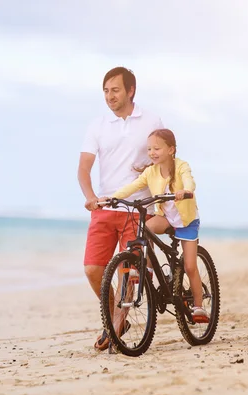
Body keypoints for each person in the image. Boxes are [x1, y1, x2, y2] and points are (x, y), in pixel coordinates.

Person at [77, 66, 165, 351]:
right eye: (105, 91)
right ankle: (119, 318)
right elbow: (84, 168)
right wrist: (90, 196)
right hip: (105, 206)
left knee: (127, 270)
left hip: (137, 207)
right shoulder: (97, 125)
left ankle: (114, 325)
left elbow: (164, 155)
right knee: (93, 269)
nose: (109, 96)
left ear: (130, 91)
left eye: (115, 90)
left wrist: (152, 167)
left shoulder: (151, 119)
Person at [100, 128, 209, 324]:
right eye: (149, 148)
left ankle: (199, 306)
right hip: (166, 217)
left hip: (186, 221)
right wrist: (112, 198)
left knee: (190, 266)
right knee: (145, 229)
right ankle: (147, 270)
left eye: (157, 148)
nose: (152, 152)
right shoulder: (150, 171)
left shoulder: (182, 166)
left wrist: (185, 190)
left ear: (171, 149)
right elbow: (133, 187)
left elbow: (189, 181)